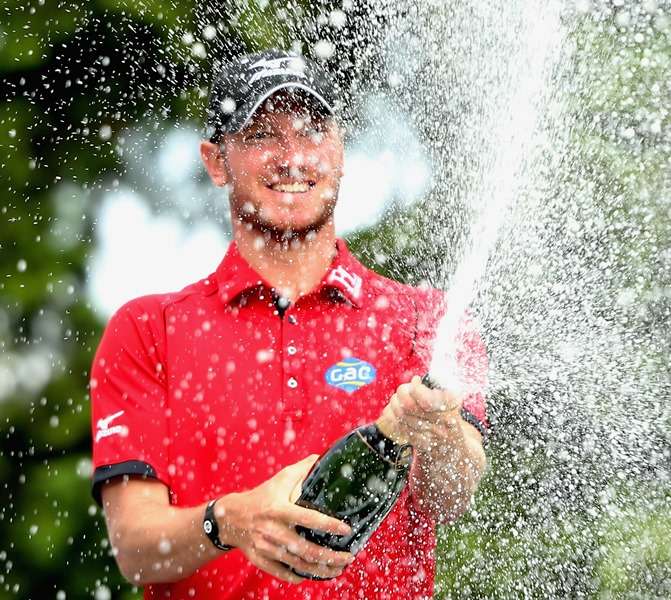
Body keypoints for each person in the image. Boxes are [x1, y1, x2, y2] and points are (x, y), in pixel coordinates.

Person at [90, 49, 489, 600]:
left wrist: (439, 432)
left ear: (342, 151)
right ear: (215, 161)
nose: (292, 157)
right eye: (261, 135)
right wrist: (228, 521)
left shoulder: (426, 319)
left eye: (312, 131)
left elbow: (454, 498)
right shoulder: (146, 330)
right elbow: (135, 547)